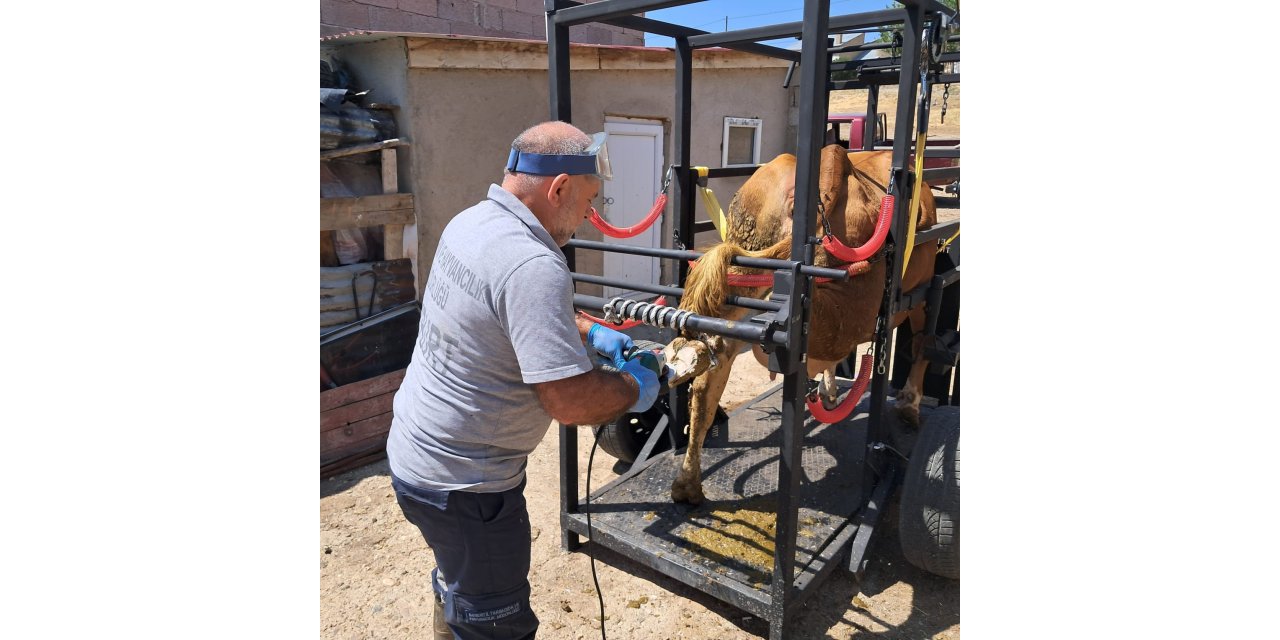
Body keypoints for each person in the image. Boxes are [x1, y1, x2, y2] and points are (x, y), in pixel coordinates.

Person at [386, 120, 661, 640]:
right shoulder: (535, 263)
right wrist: (635, 388)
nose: (587, 217)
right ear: (558, 188)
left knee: (457, 578)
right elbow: (569, 402)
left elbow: (507, 311)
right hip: (467, 489)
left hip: (414, 458)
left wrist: (587, 330)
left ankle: (456, 612)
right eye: (587, 201)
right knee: (497, 625)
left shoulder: (471, 223)